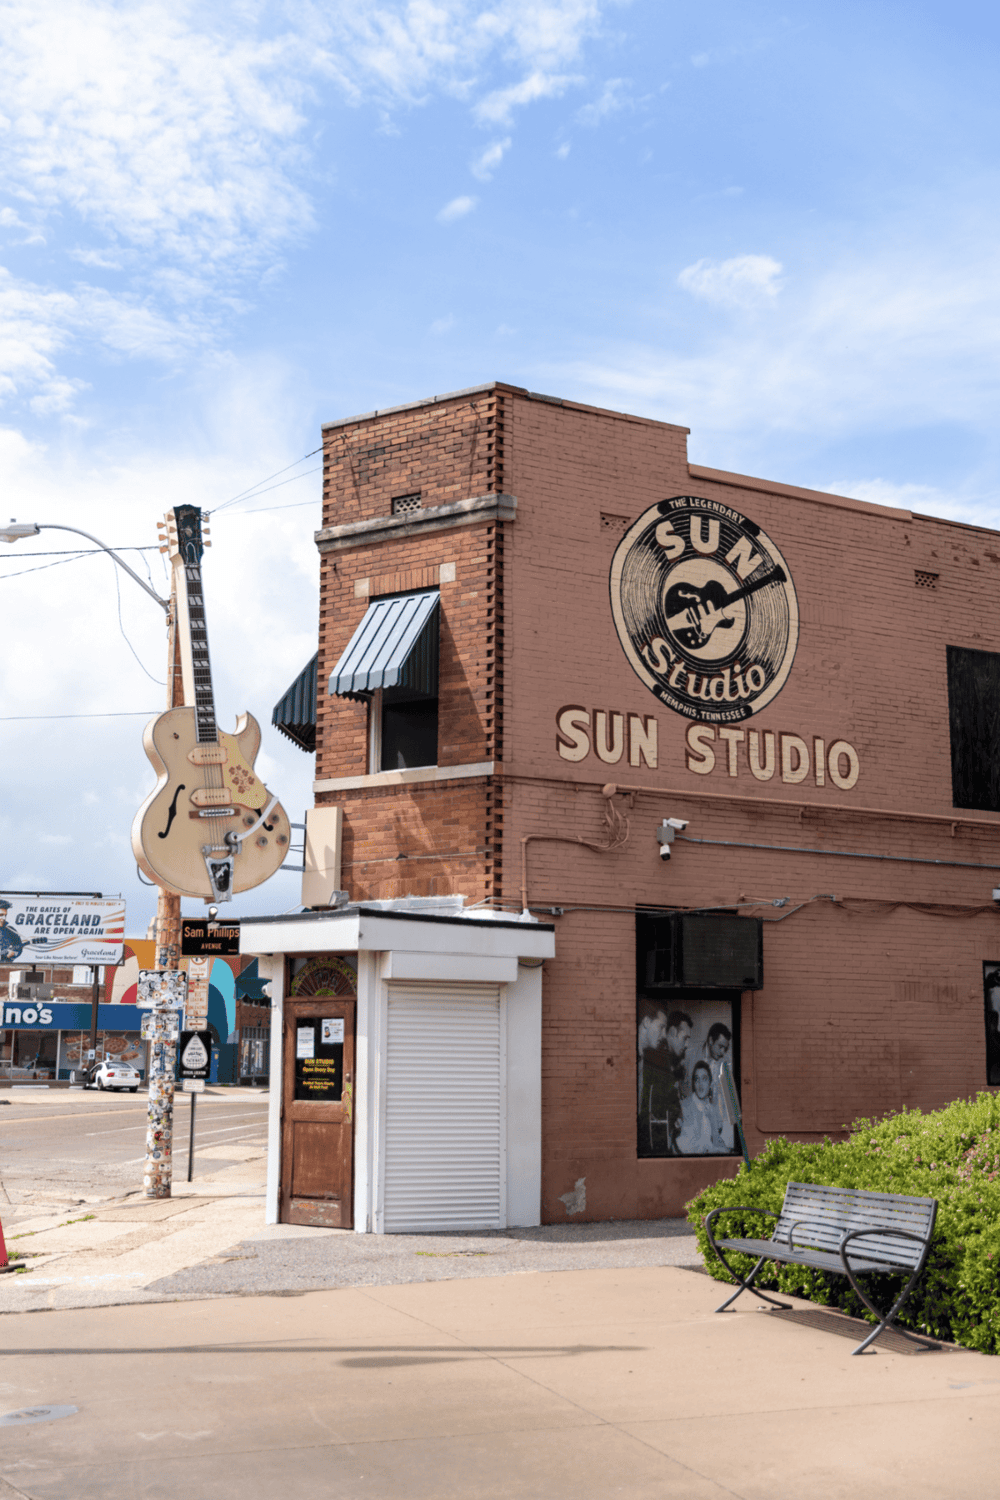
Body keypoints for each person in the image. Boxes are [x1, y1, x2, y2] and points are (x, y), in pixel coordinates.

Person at [698, 1021, 734, 1151]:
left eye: (725, 1048)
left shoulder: (724, 1063)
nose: (723, 1052)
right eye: (720, 1046)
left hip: (719, 1124)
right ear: (711, 1040)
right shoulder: (695, 1059)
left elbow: (729, 1103)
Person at [675, 1060, 715, 1153]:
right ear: (693, 1083)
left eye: (704, 1079)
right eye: (697, 1079)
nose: (700, 1084)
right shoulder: (685, 1106)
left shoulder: (712, 1107)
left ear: (710, 1083)